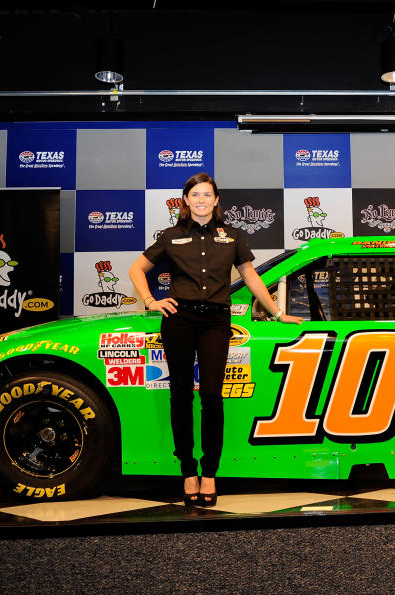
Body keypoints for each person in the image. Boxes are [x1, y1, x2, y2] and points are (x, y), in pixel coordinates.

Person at [129, 173, 302, 507]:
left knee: (211, 394)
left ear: (216, 200)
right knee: (180, 395)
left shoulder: (232, 236)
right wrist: (151, 301)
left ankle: (209, 472)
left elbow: (251, 276)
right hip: (179, 320)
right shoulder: (170, 236)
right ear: (186, 200)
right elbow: (137, 269)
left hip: (216, 321)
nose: (201, 200)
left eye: (207, 195)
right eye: (195, 195)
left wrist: (278, 313)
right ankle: (187, 471)